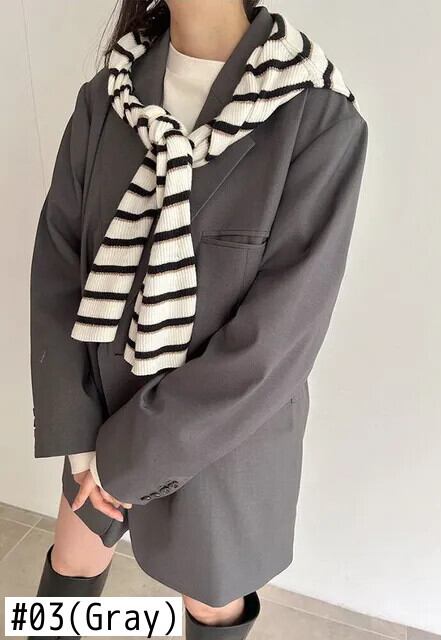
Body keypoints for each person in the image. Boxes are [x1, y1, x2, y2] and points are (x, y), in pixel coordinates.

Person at [29, 1, 369, 638]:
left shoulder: (315, 116)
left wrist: (127, 460)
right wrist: (79, 435)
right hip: (99, 416)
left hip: (224, 435)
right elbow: (58, 265)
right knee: (72, 563)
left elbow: (278, 338)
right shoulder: (107, 99)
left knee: (212, 602)